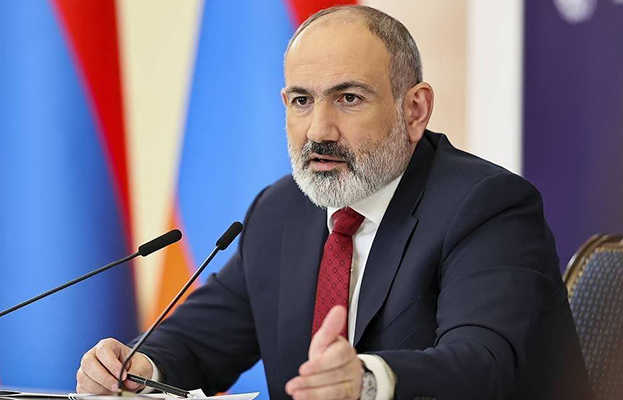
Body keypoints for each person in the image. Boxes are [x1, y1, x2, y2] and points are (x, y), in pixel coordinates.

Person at [76, 5, 592, 400]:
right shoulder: (280, 210)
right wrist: (138, 368)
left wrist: (367, 380)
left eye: (349, 98)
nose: (319, 131)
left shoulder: (487, 206)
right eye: (302, 100)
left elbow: (483, 365)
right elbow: (197, 342)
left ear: (415, 110)